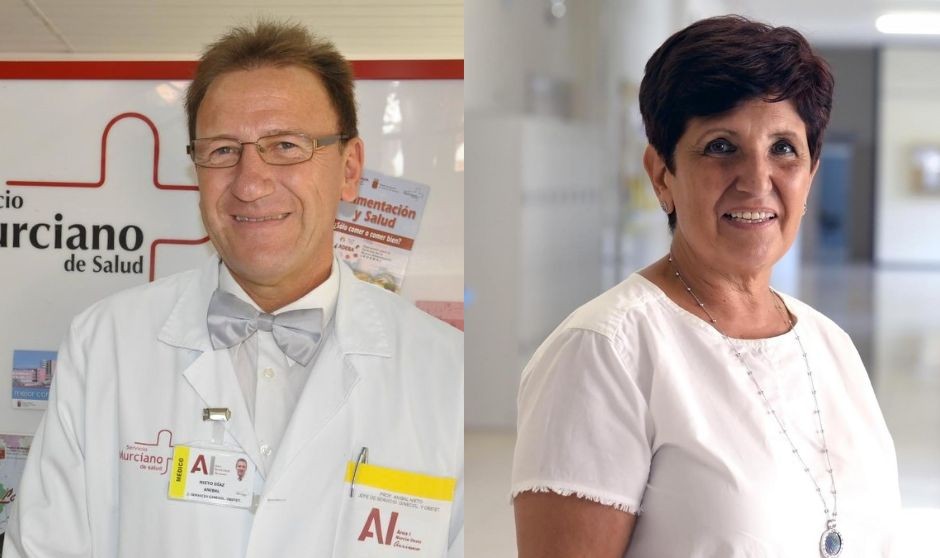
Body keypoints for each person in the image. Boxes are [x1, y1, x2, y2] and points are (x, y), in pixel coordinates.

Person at [4, 21, 463, 558]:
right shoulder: (104, 344)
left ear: (349, 168)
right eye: (223, 151)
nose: (250, 182)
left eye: (286, 145)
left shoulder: (450, 374)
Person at [511, 15, 900, 558]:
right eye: (721, 146)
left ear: (810, 175)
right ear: (661, 174)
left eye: (784, 148)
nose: (757, 180)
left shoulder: (830, 343)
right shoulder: (606, 352)